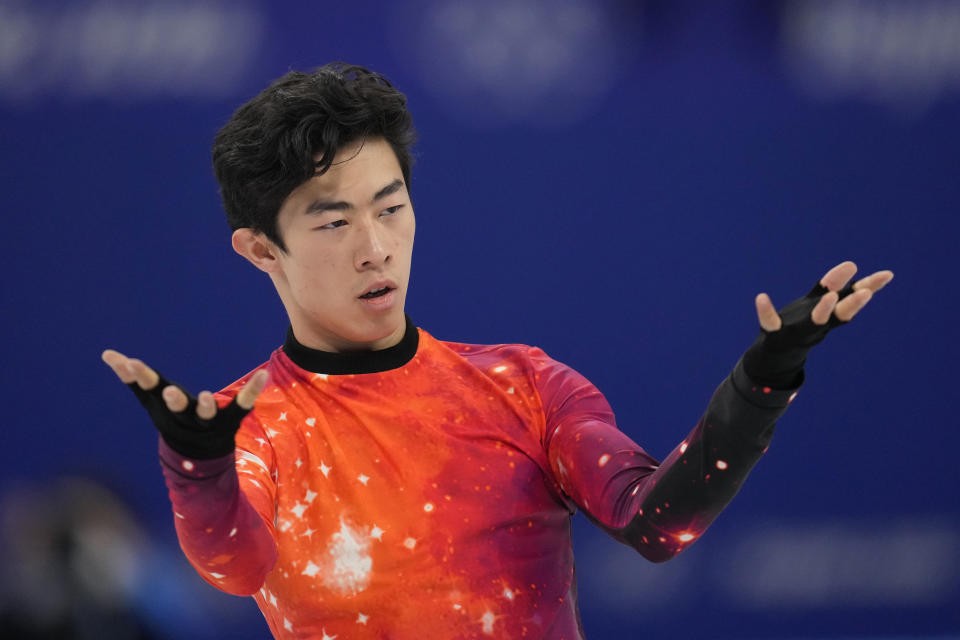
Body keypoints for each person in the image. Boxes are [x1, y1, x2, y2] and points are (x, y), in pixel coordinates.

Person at [102, 63, 892, 639]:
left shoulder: (527, 387)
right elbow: (232, 567)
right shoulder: (253, 424)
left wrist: (764, 379)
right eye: (334, 222)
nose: (376, 248)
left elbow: (658, 523)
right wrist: (197, 471)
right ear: (259, 249)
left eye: (392, 207)